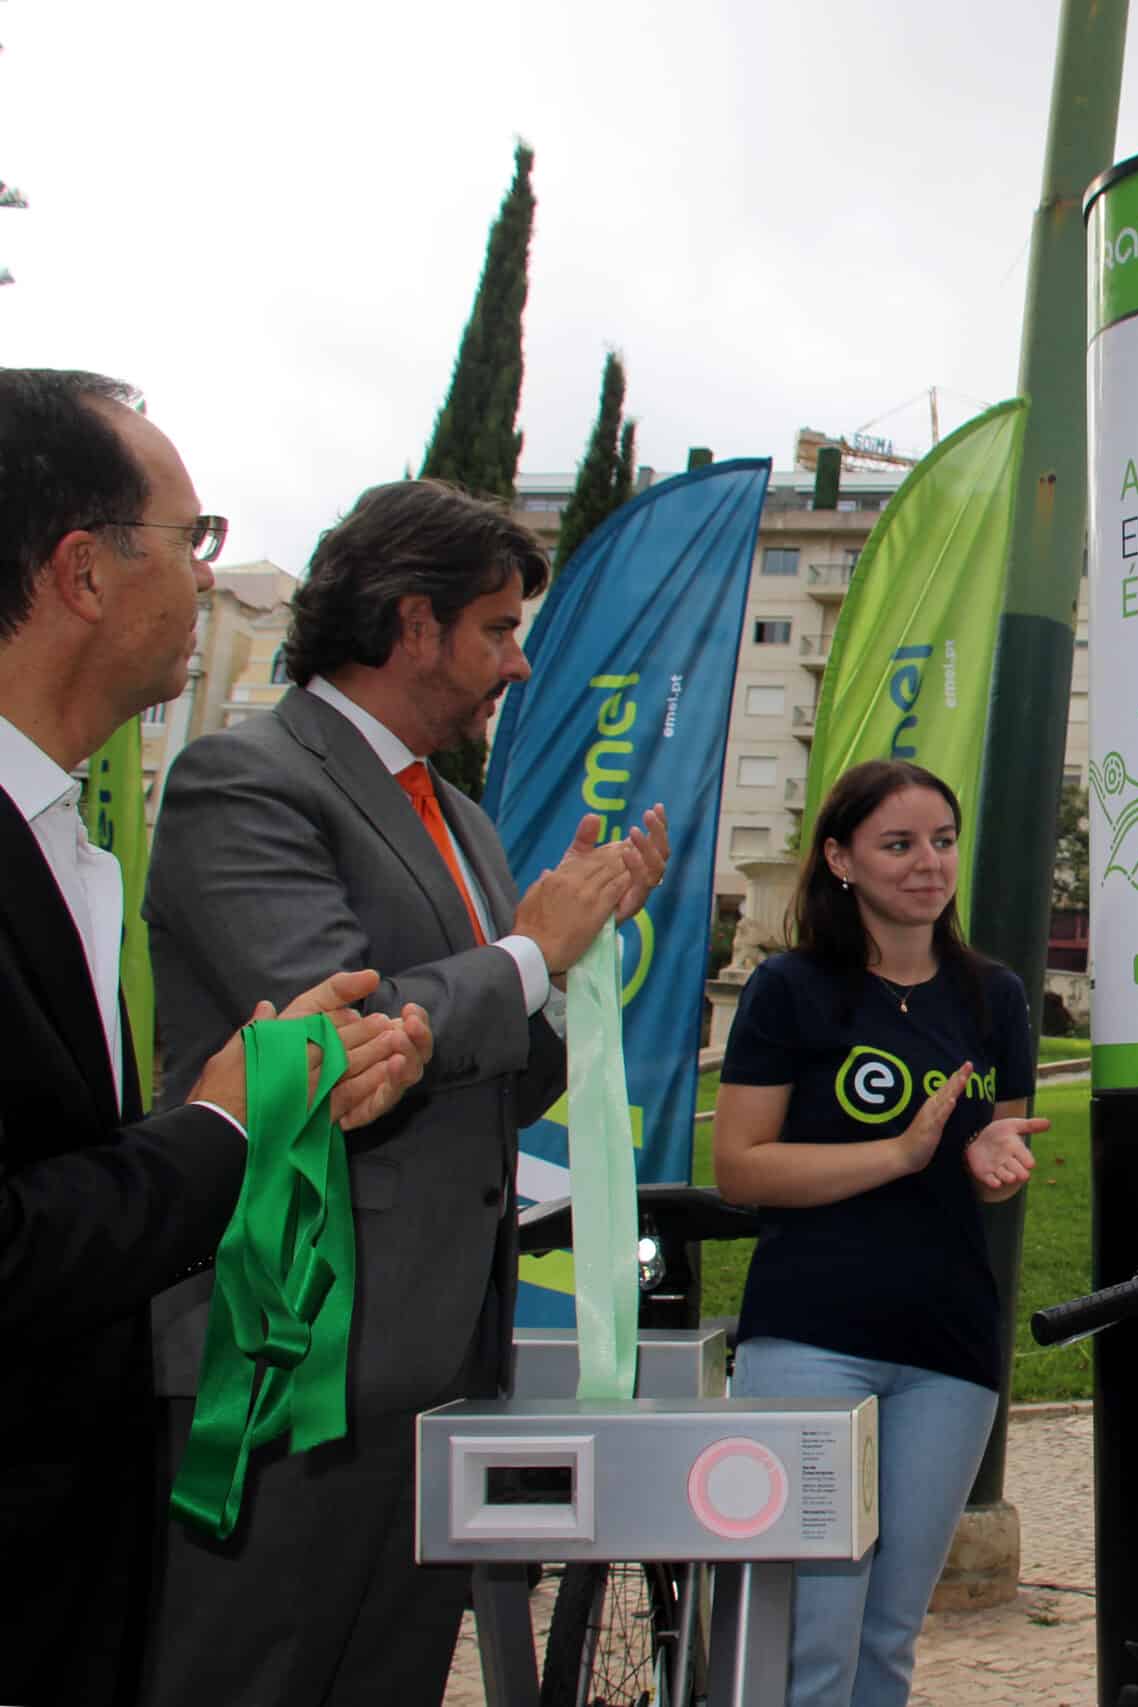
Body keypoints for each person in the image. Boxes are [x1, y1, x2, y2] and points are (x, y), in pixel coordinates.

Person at [140, 479, 669, 1707]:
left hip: (438, 1364)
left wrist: (566, 974)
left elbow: (493, 1085)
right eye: (499, 630)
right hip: (293, 1358)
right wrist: (529, 952)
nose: (518, 666)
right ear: (413, 624)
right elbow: (337, 1040)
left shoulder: (463, 821)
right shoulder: (244, 779)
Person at [0, 369, 431, 1707]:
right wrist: (224, 1126)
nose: (205, 576)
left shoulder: (66, 842)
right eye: (190, 539)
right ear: (83, 570)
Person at [714, 759, 1047, 1707]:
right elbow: (741, 1165)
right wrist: (898, 1154)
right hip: (809, 1339)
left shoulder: (996, 997)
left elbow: (994, 1152)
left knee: (890, 1634)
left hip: (949, 1350)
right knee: (812, 1637)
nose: (928, 863)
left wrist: (989, 1163)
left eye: (942, 841)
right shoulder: (789, 987)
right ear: (840, 858)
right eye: (898, 843)